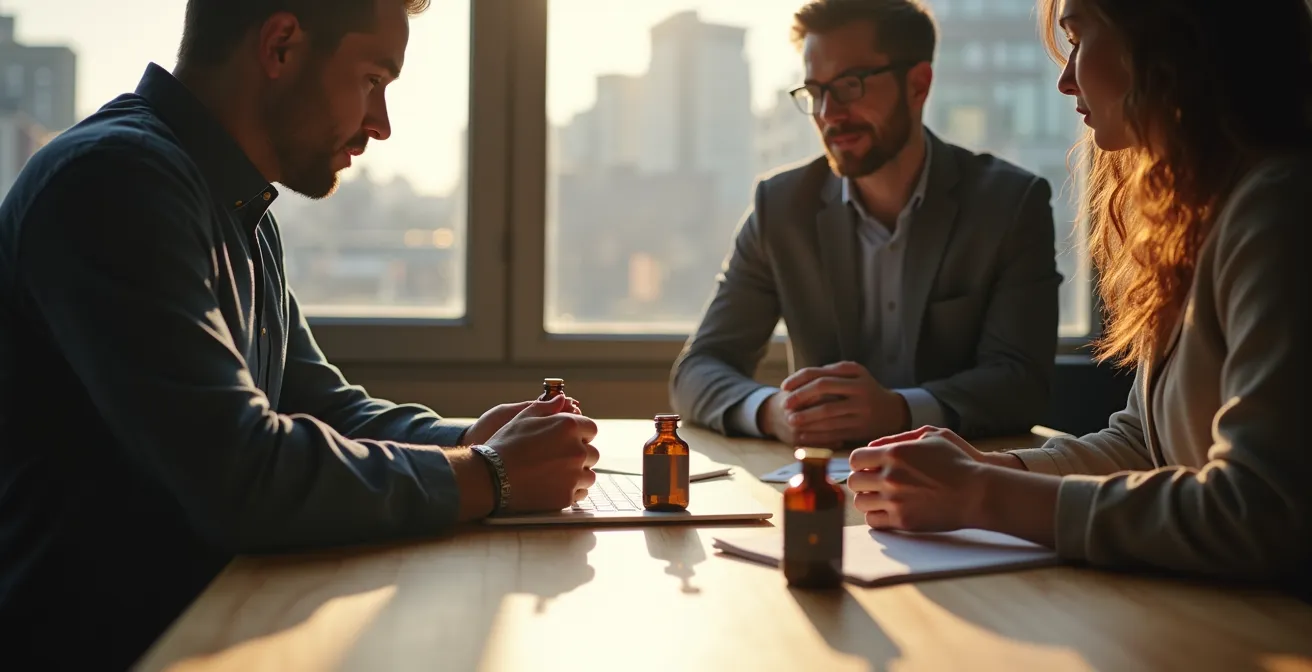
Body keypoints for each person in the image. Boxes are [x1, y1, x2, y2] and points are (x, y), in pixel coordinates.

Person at [0, 0, 597, 663]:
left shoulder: (236, 206)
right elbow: (241, 474)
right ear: (281, 46)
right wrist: (490, 475)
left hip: (205, 626)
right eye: (374, 79)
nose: (382, 124)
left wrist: (470, 438)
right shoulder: (113, 183)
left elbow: (322, 406)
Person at [848, 0, 1312, 590]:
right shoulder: (1201, 217)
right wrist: (992, 469)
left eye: (1079, 38)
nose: (1066, 78)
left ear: (1169, 42)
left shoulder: (1281, 211)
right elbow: (1144, 443)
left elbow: (1261, 511)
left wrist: (982, 494)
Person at [670, 0, 1062, 448]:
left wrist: (898, 411)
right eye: (815, 91)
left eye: (849, 86)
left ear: (918, 85)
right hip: (823, 488)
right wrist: (772, 411)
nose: (828, 113)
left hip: (965, 479)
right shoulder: (781, 208)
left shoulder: (1009, 204)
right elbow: (697, 369)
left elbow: (1021, 384)